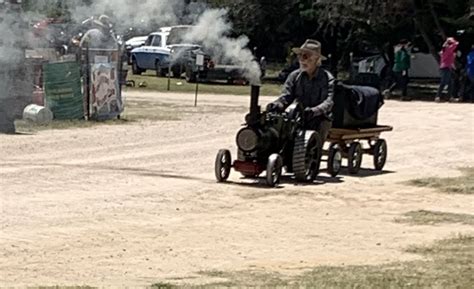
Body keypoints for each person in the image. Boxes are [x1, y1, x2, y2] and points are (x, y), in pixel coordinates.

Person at [267, 39, 334, 143]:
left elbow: (328, 102)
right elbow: (286, 96)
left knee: (315, 135)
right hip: (297, 116)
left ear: (317, 59)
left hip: (319, 118)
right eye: (299, 56)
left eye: (306, 56)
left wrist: (313, 111)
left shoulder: (327, 78)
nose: (302, 60)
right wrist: (277, 104)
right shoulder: (294, 76)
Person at [436, 37, 459, 102]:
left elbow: (450, 61)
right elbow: (456, 44)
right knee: (443, 82)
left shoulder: (446, 50)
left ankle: (449, 97)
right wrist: (452, 41)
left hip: (446, 67)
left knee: (450, 83)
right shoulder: (448, 49)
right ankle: (438, 96)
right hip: (445, 68)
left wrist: (453, 67)